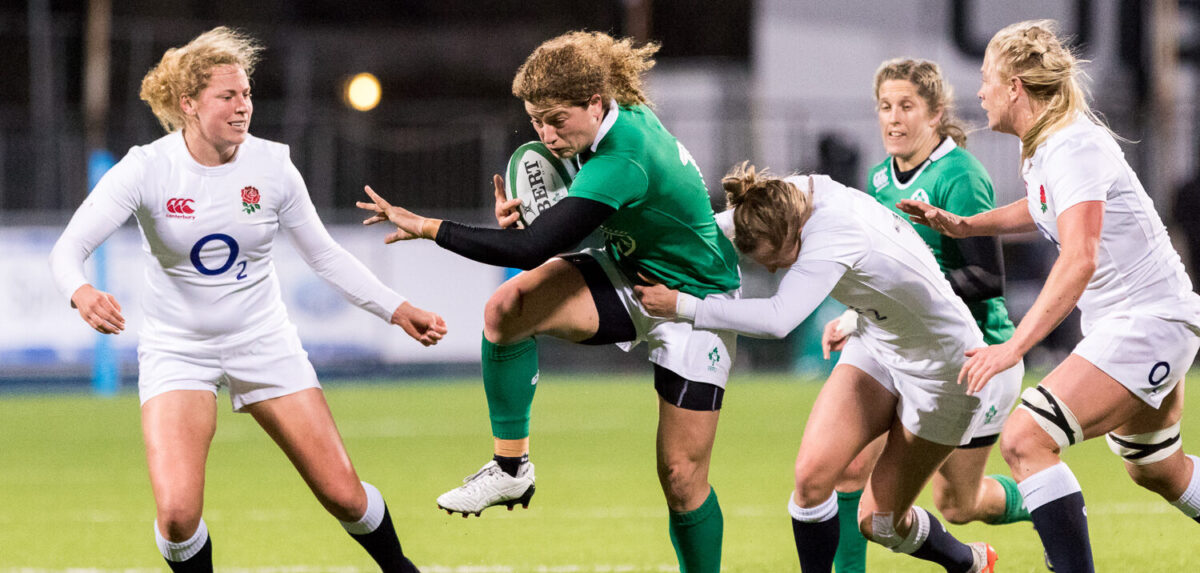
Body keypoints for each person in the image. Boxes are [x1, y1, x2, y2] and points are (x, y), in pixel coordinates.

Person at [48, 27, 445, 572]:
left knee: (345, 495)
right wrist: (81, 290)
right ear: (189, 104)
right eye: (228, 96)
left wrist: (396, 309)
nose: (243, 108)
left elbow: (325, 255)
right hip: (177, 349)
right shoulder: (147, 167)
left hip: (262, 341)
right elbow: (69, 248)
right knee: (178, 516)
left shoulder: (273, 166)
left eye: (248, 94)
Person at [357, 31, 740, 573]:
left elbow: (533, 247)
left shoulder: (625, 156)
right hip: (631, 271)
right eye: (536, 120)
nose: (545, 134)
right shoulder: (606, 121)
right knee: (506, 309)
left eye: (557, 119)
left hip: (697, 300)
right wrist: (539, 210)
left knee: (681, 479)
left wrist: (426, 226)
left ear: (594, 102)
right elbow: (560, 222)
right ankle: (510, 469)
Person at [898, 19, 1200, 572]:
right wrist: (966, 226)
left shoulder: (1071, 145)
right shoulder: (1045, 148)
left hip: (1148, 322)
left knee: (1025, 437)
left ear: (1015, 85)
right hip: (1138, 323)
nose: (981, 92)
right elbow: (1042, 208)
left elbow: (1079, 257)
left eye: (988, 78)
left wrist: (1013, 348)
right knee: (1157, 467)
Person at [636, 163, 1001, 573]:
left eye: (776, 260)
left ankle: (967, 561)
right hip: (878, 340)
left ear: (792, 235)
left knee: (880, 524)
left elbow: (778, 319)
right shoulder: (782, 199)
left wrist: (681, 306)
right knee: (811, 481)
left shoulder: (831, 231)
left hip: (946, 368)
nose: (774, 269)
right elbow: (709, 227)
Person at [828, 58, 1028, 572]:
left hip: (971, 357)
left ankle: (1048, 501)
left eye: (907, 107)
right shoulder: (878, 178)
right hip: (900, 347)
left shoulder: (960, 176)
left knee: (958, 505)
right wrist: (859, 317)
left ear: (936, 114)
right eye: (885, 107)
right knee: (849, 469)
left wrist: (882, 310)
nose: (893, 119)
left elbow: (987, 280)